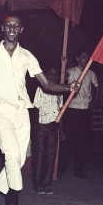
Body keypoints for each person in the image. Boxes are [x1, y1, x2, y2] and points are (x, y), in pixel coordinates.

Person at [0, 14, 79, 205]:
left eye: (16, 26)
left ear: (21, 30)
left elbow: (47, 85)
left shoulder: (27, 56)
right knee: (11, 152)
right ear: (2, 28)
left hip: (22, 112)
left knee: (16, 160)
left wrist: (68, 87)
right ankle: (13, 196)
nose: (12, 28)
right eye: (8, 25)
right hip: (0, 111)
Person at [58, 50, 99, 178]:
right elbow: (61, 79)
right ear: (77, 58)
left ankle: (78, 170)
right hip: (72, 109)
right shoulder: (70, 71)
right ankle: (61, 168)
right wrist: (63, 64)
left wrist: (94, 101)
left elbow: (97, 87)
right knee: (67, 140)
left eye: (87, 57)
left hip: (85, 110)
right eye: (82, 57)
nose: (85, 59)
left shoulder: (91, 73)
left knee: (83, 141)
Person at [32, 66, 63, 195]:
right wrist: (35, 128)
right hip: (41, 126)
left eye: (55, 73)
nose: (53, 75)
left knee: (51, 155)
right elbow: (35, 109)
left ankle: (46, 184)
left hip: (53, 126)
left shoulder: (59, 91)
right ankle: (38, 184)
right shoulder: (40, 89)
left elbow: (60, 112)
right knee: (39, 155)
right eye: (50, 73)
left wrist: (61, 130)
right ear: (46, 74)